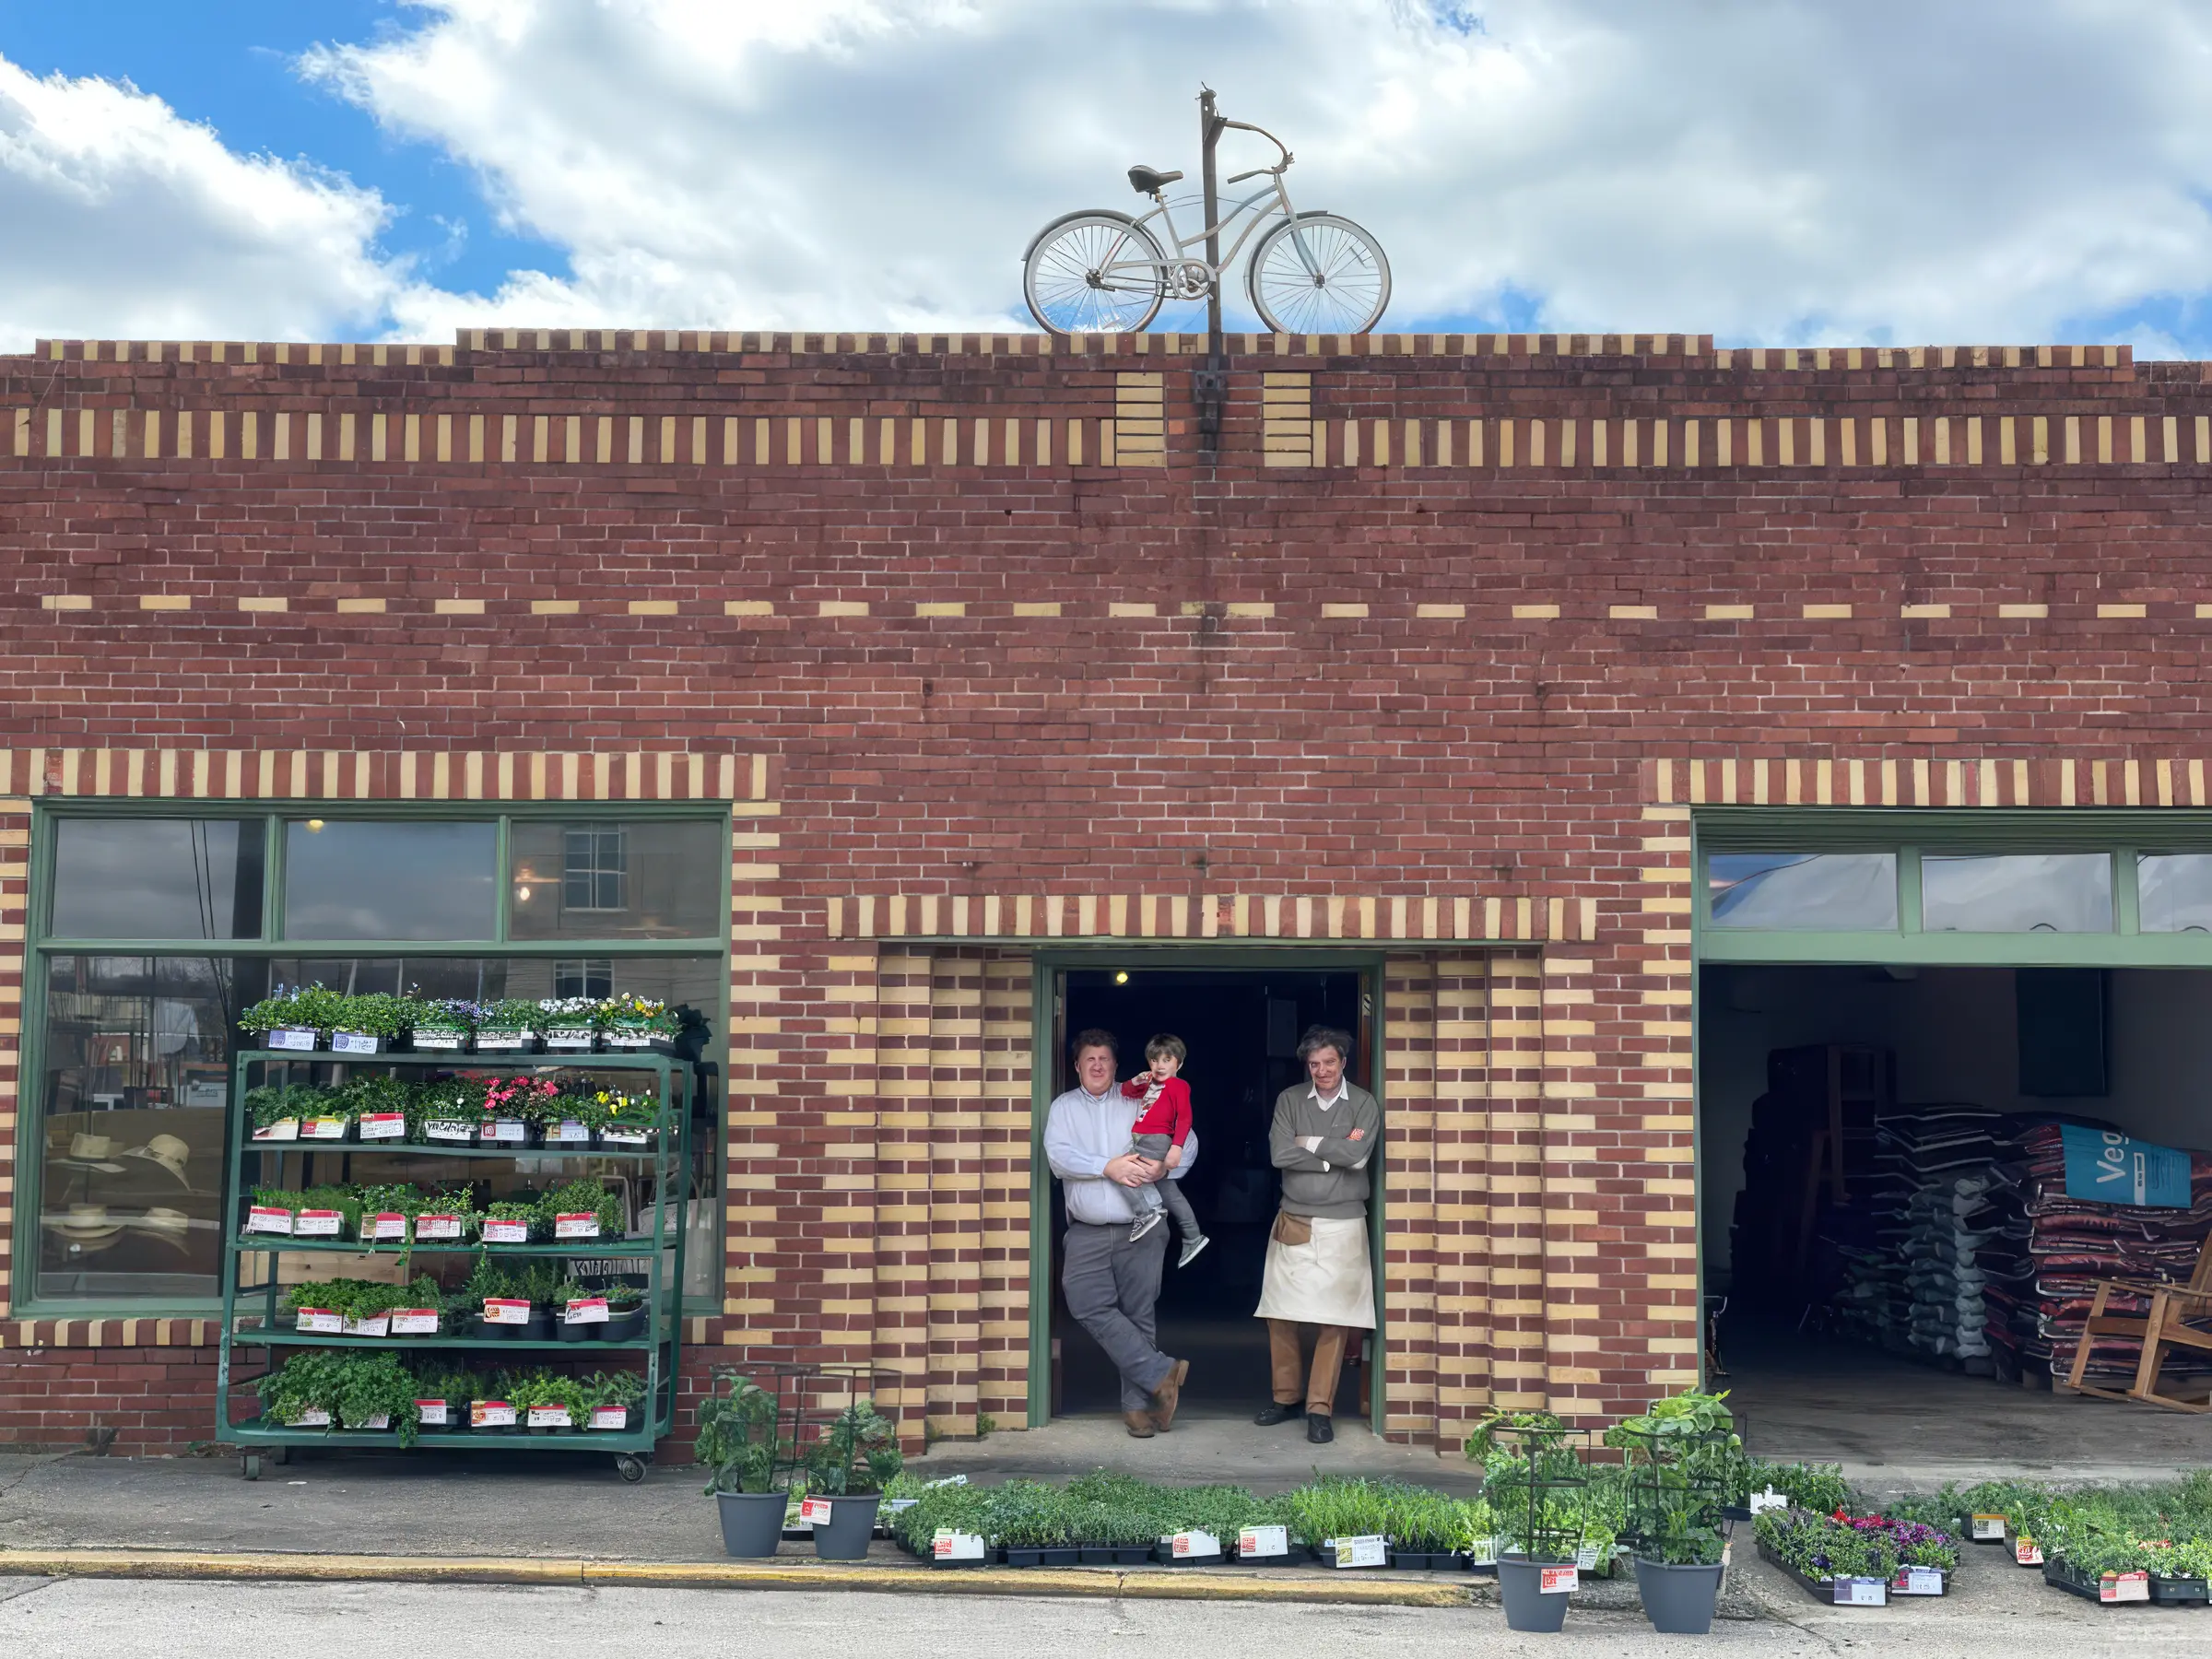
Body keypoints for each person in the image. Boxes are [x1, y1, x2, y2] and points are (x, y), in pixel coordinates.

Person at [1043, 1028, 1196, 1438]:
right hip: (1087, 1229)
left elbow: (1188, 1142)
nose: (1097, 1065)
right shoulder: (1064, 1108)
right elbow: (1059, 1157)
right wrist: (1106, 1166)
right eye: (1089, 1059)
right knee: (1085, 1303)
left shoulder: (1142, 1100)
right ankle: (1161, 1372)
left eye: (1105, 1059)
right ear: (1077, 1066)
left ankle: (1139, 1409)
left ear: (1116, 1065)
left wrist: (1165, 1166)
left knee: (1138, 1314)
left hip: (1142, 1229)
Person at [1253, 1024, 1380, 1444]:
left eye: (1329, 1062)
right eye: (1314, 1064)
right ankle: (1285, 1397)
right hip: (1295, 1218)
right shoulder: (1290, 1100)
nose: (1321, 1070)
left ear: (1343, 1062)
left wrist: (1308, 1143)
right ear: (1306, 1066)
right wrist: (1329, 1156)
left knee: (1334, 1319)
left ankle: (1319, 1408)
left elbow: (1357, 1154)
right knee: (1281, 1313)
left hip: (1344, 1223)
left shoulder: (1363, 1104)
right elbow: (1278, 1153)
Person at [1119, 1033, 1209, 1266]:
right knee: (1168, 1190)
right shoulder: (1150, 1084)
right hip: (1146, 1139)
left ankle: (1145, 1213)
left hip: (1156, 1139)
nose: (1160, 1066)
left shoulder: (1179, 1085)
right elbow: (1125, 1092)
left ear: (1179, 1063)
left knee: (1121, 1171)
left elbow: (1185, 1118)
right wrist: (1136, 1081)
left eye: (1167, 1059)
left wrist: (1176, 1148)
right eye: (1154, 1060)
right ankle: (1193, 1236)